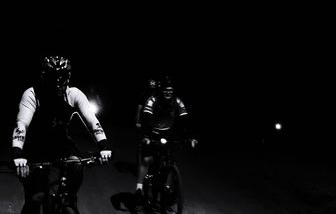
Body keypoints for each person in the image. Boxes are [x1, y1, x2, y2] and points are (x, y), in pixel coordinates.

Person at [11, 55, 112, 214]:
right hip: (35, 146)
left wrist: (103, 145)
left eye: (62, 77)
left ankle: (70, 197)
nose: (57, 82)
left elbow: (93, 122)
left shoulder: (73, 94)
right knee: (36, 197)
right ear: (44, 77)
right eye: (53, 77)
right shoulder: (32, 94)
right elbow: (21, 124)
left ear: (68, 77)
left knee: (77, 165)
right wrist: (18, 154)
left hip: (61, 143)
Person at [134, 75, 197, 206]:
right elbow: (145, 117)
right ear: (160, 90)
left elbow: (186, 119)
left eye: (170, 90)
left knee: (170, 160)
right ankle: (139, 187)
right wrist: (145, 136)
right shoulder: (152, 100)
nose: (168, 92)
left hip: (168, 133)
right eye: (165, 89)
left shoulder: (177, 101)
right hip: (151, 132)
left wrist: (191, 137)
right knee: (147, 160)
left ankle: (167, 187)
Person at [134, 78, 157, 167]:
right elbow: (139, 109)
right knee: (143, 142)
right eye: (151, 87)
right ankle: (141, 162)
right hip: (144, 121)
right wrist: (138, 121)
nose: (152, 89)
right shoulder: (143, 95)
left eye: (153, 87)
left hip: (154, 122)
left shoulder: (158, 96)